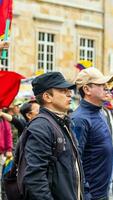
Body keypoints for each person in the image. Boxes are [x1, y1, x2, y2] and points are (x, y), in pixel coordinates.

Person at [22, 72, 84, 200]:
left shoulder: (63, 122)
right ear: (47, 97)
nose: (69, 93)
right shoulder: (41, 127)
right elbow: (35, 179)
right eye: (63, 90)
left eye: (68, 90)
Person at [71, 67, 113, 200]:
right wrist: (86, 194)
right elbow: (74, 162)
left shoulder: (99, 111)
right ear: (87, 89)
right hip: (91, 195)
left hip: (102, 192)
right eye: (101, 85)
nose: (106, 88)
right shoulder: (79, 119)